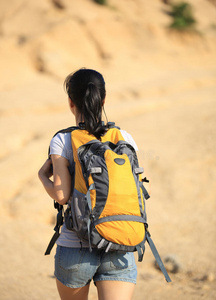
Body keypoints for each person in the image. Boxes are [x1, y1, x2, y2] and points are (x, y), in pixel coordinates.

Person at [38, 68, 139, 300]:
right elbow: (145, 189)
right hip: (120, 244)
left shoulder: (63, 139)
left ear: (70, 102)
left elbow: (62, 195)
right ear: (103, 99)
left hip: (77, 246)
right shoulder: (124, 137)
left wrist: (43, 177)